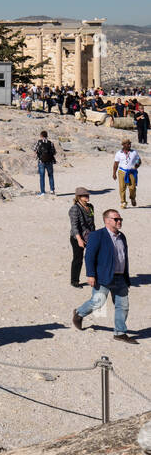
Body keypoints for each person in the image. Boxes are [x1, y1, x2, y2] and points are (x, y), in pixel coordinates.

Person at [72, 208, 135, 344]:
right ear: (107, 220)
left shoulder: (122, 236)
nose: (119, 221)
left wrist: (126, 276)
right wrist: (91, 275)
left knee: (123, 305)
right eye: (116, 219)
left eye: (120, 219)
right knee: (98, 302)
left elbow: (124, 257)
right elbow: (89, 256)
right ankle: (79, 313)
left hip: (120, 277)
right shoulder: (97, 235)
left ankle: (120, 333)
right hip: (103, 277)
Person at [68, 187, 95, 288]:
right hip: (77, 238)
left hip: (90, 236)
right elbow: (74, 226)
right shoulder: (74, 209)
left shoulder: (90, 206)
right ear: (79, 197)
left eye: (87, 195)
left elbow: (92, 223)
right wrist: (79, 240)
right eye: (84, 195)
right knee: (78, 259)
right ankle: (74, 281)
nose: (87, 197)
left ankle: (95, 277)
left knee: (94, 256)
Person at [114, 139, 140, 208]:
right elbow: (116, 164)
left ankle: (132, 198)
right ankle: (123, 202)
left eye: (130, 144)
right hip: (122, 171)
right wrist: (114, 173)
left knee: (132, 188)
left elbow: (139, 160)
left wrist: (136, 166)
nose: (129, 145)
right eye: (128, 144)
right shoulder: (119, 153)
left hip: (132, 172)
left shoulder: (134, 152)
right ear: (123, 145)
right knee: (122, 187)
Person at [35, 130, 57, 195]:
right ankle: (52, 190)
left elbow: (35, 150)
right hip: (49, 162)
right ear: (47, 135)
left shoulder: (39, 142)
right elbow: (54, 152)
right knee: (50, 176)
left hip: (41, 161)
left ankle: (42, 192)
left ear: (41, 136)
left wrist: (39, 155)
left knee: (42, 177)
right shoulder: (50, 143)